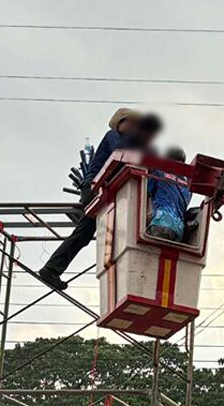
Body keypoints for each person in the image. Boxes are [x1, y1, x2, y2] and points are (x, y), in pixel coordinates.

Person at [39, 111, 163, 290]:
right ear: (121, 123)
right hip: (95, 190)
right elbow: (121, 154)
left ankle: (52, 269)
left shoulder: (133, 141)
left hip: (109, 193)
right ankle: (52, 269)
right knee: (88, 233)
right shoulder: (114, 136)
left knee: (84, 234)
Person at [145, 147, 193, 242]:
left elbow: (143, 194)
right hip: (179, 231)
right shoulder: (188, 187)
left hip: (161, 223)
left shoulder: (159, 173)